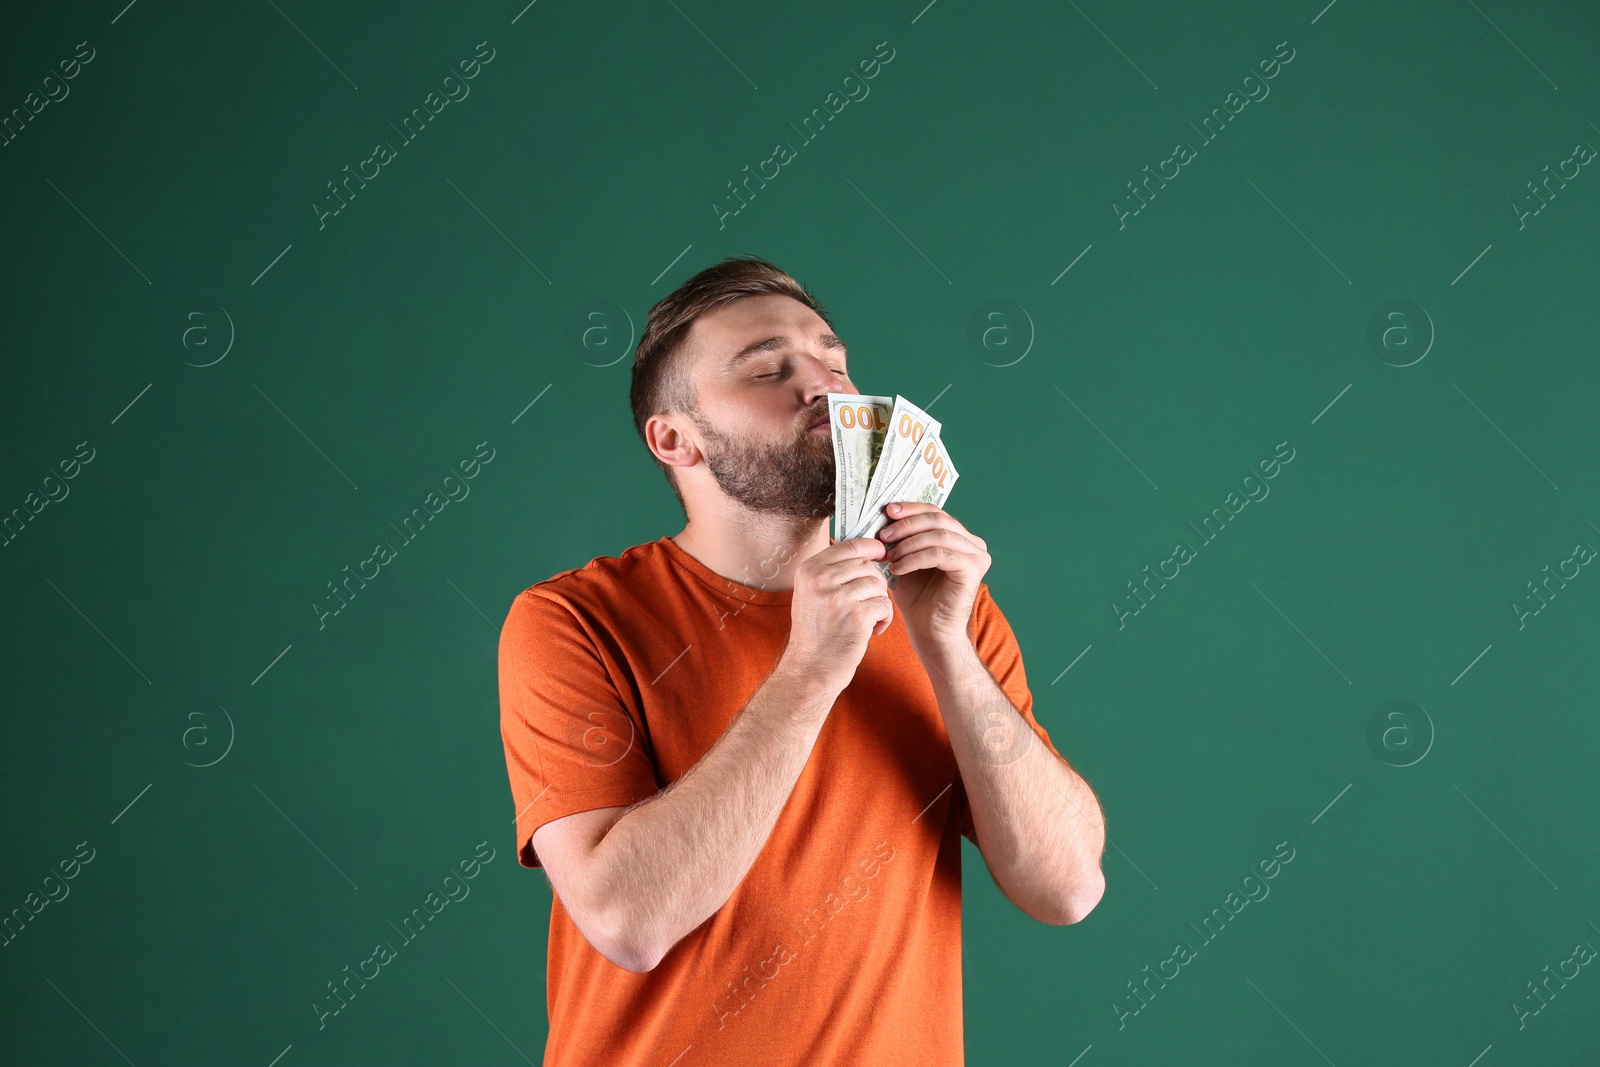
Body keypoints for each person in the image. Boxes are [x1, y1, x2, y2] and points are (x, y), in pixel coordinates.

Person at [497, 255, 1106, 1065]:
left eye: (834, 360)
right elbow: (627, 920)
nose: (823, 383)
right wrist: (811, 668)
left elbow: (1066, 886)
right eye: (766, 369)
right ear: (674, 439)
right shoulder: (574, 619)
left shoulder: (946, 609)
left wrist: (948, 650)